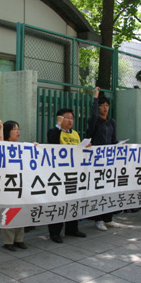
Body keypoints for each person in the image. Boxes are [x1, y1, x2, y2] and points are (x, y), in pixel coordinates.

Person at [47, 108, 88, 243]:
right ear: (60, 119)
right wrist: (58, 126)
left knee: (73, 201)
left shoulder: (75, 134)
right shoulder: (54, 132)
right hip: (59, 174)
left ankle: (72, 228)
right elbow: (52, 143)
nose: (70, 120)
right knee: (59, 202)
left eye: (71, 118)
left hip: (74, 173)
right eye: (66, 117)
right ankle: (55, 232)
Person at [86, 87, 122, 231]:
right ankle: (98, 219)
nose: (105, 108)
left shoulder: (111, 122)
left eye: (107, 105)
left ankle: (108, 218)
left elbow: (113, 139)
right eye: (102, 105)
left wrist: (119, 144)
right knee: (98, 189)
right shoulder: (94, 121)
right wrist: (95, 97)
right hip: (97, 160)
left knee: (109, 188)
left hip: (109, 160)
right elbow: (94, 115)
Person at [0, 120, 29, 251]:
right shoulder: (3, 145)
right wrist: (0, 127)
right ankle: (8, 241)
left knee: (20, 211)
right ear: (7, 132)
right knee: (8, 212)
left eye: (18, 129)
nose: (18, 132)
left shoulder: (21, 146)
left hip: (19, 184)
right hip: (7, 184)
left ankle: (19, 239)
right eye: (14, 129)